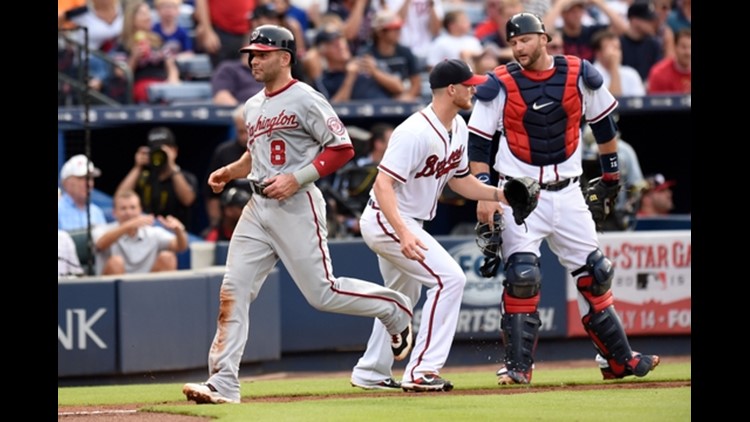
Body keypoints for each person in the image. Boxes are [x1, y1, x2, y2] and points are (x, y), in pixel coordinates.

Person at [182, 25, 415, 405]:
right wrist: (231, 171)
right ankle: (223, 383)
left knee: (322, 293)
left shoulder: (306, 98)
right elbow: (257, 154)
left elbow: (342, 148)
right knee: (233, 291)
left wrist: (297, 178)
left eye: (261, 53)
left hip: (297, 203)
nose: (253, 59)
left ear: (285, 57)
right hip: (258, 206)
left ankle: (395, 309)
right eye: (251, 54)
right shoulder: (253, 104)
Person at [466, 13, 660, 385]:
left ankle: (618, 360)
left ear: (543, 38)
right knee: (523, 277)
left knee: (597, 274)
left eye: (524, 40)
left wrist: (611, 176)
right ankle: (518, 367)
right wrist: (484, 192)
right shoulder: (500, 83)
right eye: (513, 43)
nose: (518, 48)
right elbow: (478, 142)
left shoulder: (578, 73)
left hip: (568, 190)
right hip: (517, 193)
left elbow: (604, 126)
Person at [350, 59, 512, 392]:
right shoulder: (414, 131)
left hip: (407, 220)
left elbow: (461, 181)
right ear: (451, 89)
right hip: (388, 218)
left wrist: (500, 194)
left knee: (400, 297)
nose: (474, 89)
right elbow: (382, 185)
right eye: (468, 84)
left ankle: (371, 371)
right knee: (450, 279)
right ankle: (422, 369)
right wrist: (405, 232)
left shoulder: (459, 127)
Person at [115, 126, 199, 231]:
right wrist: (137, 167)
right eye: (155, 150)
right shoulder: (144, 176)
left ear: (174, 151)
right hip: (146, 233)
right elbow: (120, 197)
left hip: (175, 235)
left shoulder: (186, 177)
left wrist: (171, 166)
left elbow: (188, 200)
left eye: (163, 149)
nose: (159, 154)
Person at [92, 189, 189, 275]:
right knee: (116, 262)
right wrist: (128, 225)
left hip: (147, 287)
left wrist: (179, 231)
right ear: (114, 213)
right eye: (123, 208)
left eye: (133, 207)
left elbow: (181, 247)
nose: (129, 212)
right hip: (114, 288)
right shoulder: (103, 229)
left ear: (140, 210)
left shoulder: (152, 232)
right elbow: (100, 244)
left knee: (168, 257)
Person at [203, 105, 253, 232]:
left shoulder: (265, 151)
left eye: (247, 131)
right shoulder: (224, 152)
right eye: (240, 131)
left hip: (260, 213)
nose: (244, 137)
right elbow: (211, 194)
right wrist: (215, 225)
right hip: (230, 220)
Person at [58, 154, 108, 231]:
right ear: (66, 183)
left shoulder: (96, 212)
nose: (89, 184)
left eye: (91, 178)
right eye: (82, 178)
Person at [646, 28, 690, 94]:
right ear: (675, 47)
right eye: (683, 47)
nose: (688, 52)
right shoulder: (659, 73)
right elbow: (654, 102)